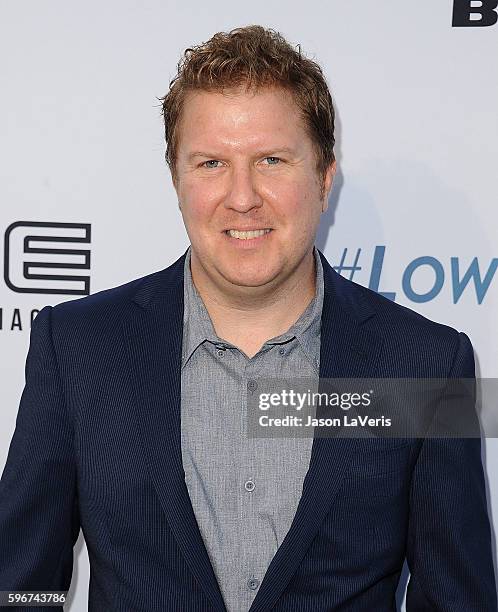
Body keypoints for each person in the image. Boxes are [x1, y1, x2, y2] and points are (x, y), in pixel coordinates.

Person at [0, 24, 496, 612]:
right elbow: (20, 585)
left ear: (324, 178)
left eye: (272, 160)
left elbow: (459, 601)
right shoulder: (79, 348)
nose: (242, 197)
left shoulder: (427, 367)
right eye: (211, 163)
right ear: (177, 180)